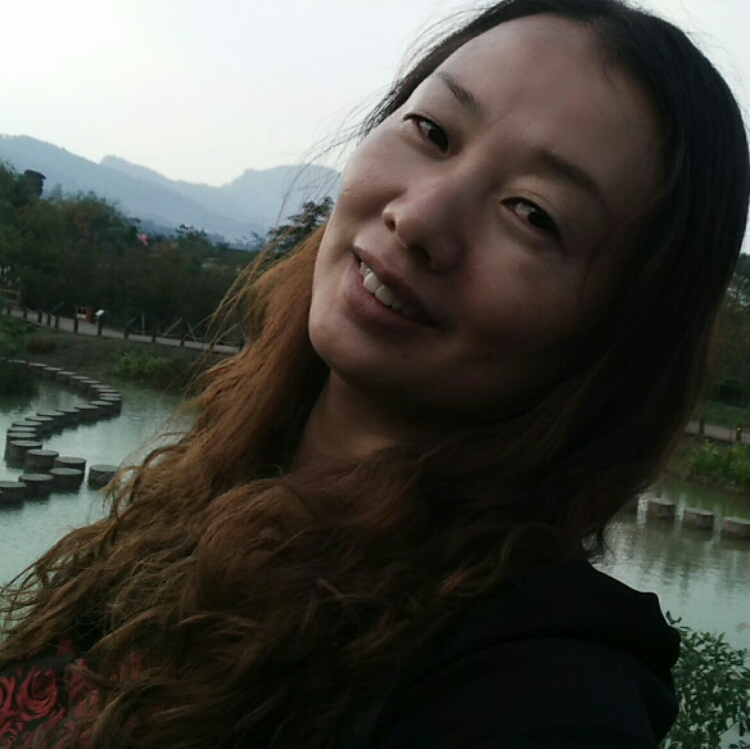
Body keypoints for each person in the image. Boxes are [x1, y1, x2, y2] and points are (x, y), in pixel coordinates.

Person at [1, 0, 748, 747]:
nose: (418, 218)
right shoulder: (209, 487)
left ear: (620, 339)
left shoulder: (534, 688)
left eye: (532, 213)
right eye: (431, 132)